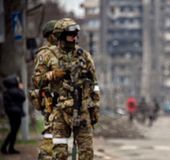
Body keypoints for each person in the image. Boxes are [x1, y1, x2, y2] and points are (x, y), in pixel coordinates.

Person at [32, 18, 100, 160]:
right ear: (61, 35)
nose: (74, 38)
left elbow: (94, 84)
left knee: (86, 153)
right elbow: (36, 81)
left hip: (82, 110)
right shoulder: (47, 55)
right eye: (71, 35)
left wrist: (95, 108)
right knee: (59, 154)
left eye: (76, 35)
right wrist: (51, 75)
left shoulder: (84, 56)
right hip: (59, 111)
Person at [30, 19, 57, 160]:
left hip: (64, 102)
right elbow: (37, 81)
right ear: (50, 35)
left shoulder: (62, 52)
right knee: (50, 136)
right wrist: (53, 75)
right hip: (51, 102)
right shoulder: (44, 54)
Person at [1, 75, 26, 154]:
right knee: (14, 131)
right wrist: (21, 89)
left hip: (12, 112)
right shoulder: (15, 90)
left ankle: (10, 148)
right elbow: (23, 97)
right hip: (15, 113)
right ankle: (5, 147)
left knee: (14, 130)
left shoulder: (7, 91)